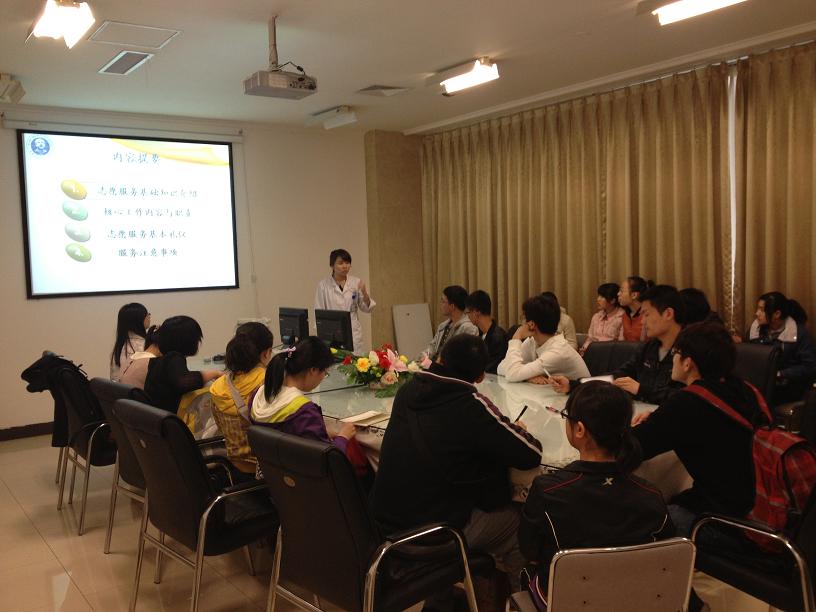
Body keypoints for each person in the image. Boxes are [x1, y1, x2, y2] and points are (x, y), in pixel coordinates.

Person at [371, 334, 543, 595]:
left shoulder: (407, 391)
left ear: (440, 359)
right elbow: (531, 453)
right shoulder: (469, 406)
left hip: (384, 525)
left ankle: (457, 593)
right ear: (481, 377)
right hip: (436, 533)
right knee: (521, 526)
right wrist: (515, 429)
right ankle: (518, 601)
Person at [519, 381, 672, 610]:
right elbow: (664, 555)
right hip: (633, 601)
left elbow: (529, 550)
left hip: (564, 601)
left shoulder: (548, 490)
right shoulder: (651, 495)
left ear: (579, 430)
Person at [631, 321, 763, 533]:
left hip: (722, 521)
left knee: (636, 521)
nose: (673, 358)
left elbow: (631, 447)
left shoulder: (688, 403)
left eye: (676, 352)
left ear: (687, 363)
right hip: (759, 508)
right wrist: (659, 417)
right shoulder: (744, 389)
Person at [251, 336, 356, 453]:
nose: (323, 377)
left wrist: (321, 432)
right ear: (313, 370)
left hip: (271, 464)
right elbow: (327, 459)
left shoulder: (258, 396)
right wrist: (343, 437)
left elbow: (289, 435)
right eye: (325, 373)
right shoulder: (305, 413)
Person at [209, 323, 275, 477]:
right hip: (265, 469)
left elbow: (220, 427)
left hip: (233, 467)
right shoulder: (267, 383)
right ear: (266, 353)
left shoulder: (218, 386)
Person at [497, 295, 590, 382]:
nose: (522, 322)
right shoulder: (533, 341)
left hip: (582, 393)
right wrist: (528, 376)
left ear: (531, 324)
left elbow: (512, 374)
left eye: (523, 318)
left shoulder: (558, 351)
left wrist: (516, 337)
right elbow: (501, 367)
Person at [747, 291, 816, 404]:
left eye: (762, 310)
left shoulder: (800, 334)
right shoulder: (755, 330)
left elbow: (809, 366)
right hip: (759, 383)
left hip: (786, 388)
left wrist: (781, 374)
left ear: (777, 314)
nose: (756, 313)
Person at [143, 316, 221, 413]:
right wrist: (215, 373)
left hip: (156, 416)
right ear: (187, 341)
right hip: (169, 418)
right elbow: (184, 382)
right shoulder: (173, 358)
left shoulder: (158, 359)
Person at [314, 249, 375, 354]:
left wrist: (364, 292)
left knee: (356, 361)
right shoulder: (323, 286)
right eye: (341, 263)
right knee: (336, 361)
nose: (345, 266)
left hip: (353, 333)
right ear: (332, 265)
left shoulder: (356, 282)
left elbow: (366, 308)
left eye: (347, 263)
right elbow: (319, 312)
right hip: (333, 333)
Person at [423, 285, 479, 361]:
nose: (441, 305)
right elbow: (431, 348)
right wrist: (420, 360)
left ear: (452, 306)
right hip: (434, 364)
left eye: (443, 301)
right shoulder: (443, 326)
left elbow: (464, 357)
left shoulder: (469, 328)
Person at [465, 289, 508, 373]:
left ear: (477, 312)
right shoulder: (480, 334)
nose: (468, 316)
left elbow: (491, 368)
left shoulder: (498, 337)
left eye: (468, 312)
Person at [579, 282, 624, 354]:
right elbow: (590, 339)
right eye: (598, 296)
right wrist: (584, 349)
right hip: (593, 353)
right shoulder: (596, 316)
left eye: (602, 297)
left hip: (611, 354)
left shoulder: (622, 317)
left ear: (612, 300)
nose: (598, 299)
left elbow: (622, 344)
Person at [109, 302, 151, 381]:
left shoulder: (120, 346)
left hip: (118, 388)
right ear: (139, 320)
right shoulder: (143, 346)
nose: (149, 316)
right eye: (147, 314)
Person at [617, 276, 651, 342]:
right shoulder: (625, 316)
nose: (618, 294)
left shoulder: (648, 315)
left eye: (621, 291)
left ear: (634, 295)